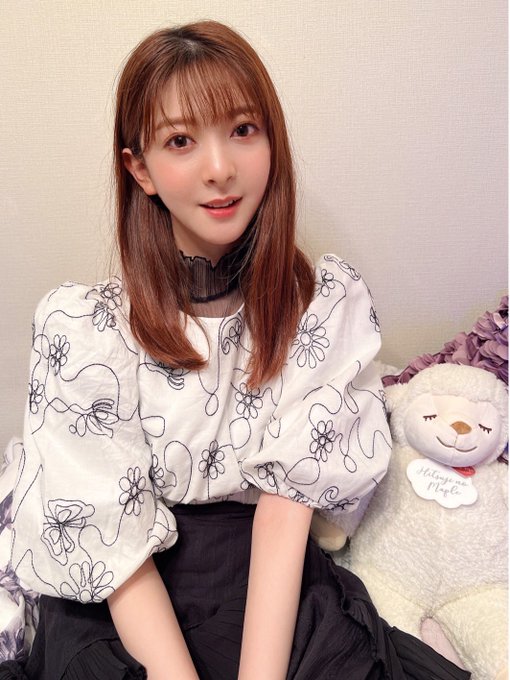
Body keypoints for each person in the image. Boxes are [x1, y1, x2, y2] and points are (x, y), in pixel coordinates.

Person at [0, 20, 470, 680]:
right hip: (127, 602)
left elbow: (283, 516)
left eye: (243, 130)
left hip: (268, 590)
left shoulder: (318, 308)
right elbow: (111, 543)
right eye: (181, 141)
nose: (219, 168)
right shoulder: (84, 328)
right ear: (140, 169)